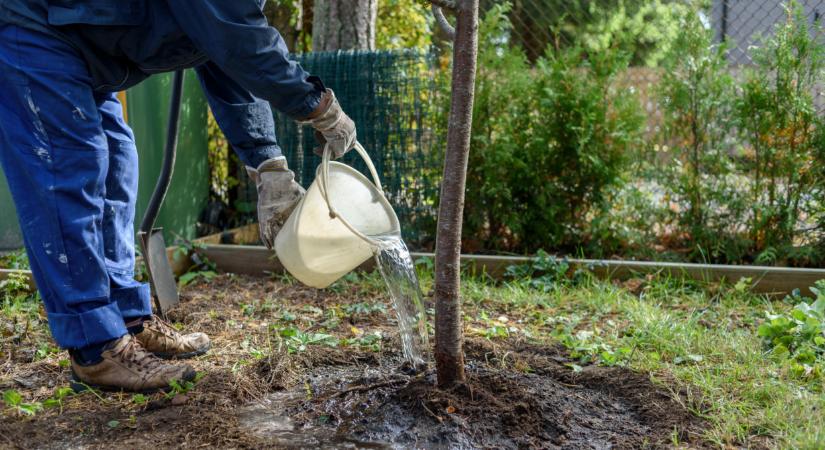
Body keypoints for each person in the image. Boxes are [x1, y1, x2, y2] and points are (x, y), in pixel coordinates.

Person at [0, 1, 357, 393]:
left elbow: (222, 52)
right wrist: (317, 104)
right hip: (35, 26)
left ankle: (126, 318)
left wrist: (267, 162)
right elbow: (235, 36)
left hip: (86, 38)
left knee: (118, 161)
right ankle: (95, 347)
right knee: (69, 169)